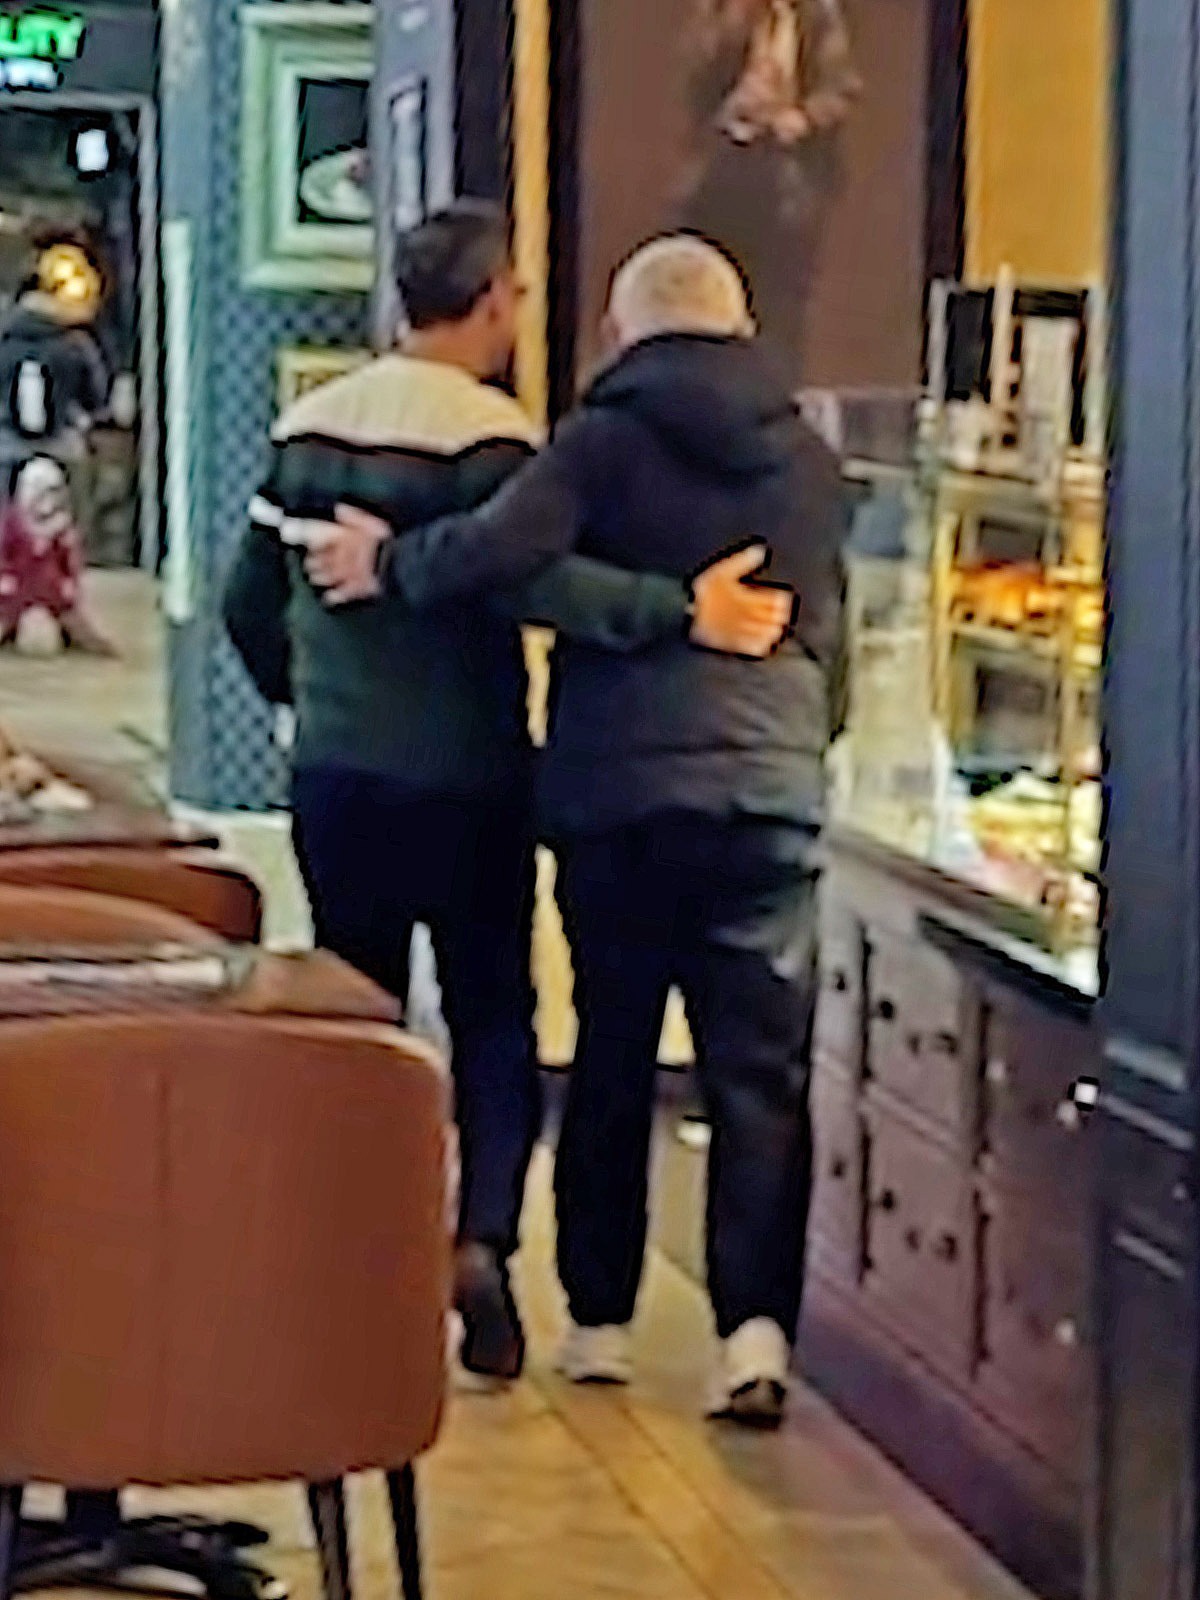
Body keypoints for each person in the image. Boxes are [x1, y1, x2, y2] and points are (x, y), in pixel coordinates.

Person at [223, 203, 795, 1386]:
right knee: (491, 1018)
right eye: (517, 295)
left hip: (338, 775)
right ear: (490, 302)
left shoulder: (307, 424)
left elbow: (246, 602)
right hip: (471, 777)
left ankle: (358, 1262)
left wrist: (305, 695)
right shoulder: (494, 441)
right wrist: (678, 610)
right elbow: (537, 581)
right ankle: (481, 1237)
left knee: (359, 1018)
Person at [675, 0, 861, 384]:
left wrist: (803, 118)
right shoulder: (721, 11)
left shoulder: (817, 17)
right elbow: (696, 73)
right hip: (723, 167)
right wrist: (738, 19)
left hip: (787, 172)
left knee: (782, 307)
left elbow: (841, 90)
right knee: (715, 296)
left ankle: (777, 391)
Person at [0, 243, 111, 502]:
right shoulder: (78, 346)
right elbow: (97, 402)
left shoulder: (5, 338)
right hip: (64, 457)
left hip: (6, 455)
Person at [0, 455, 115, 654]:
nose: (48, 498)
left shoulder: (63, 525)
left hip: (53, 587)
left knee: (78, 625)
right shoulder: (13, 522)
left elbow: (70, 560)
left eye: (54, 491)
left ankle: (90, 645)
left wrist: (71, 582)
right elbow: (4, 555)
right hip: (19, 585)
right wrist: (5, 577)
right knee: (5, 618)